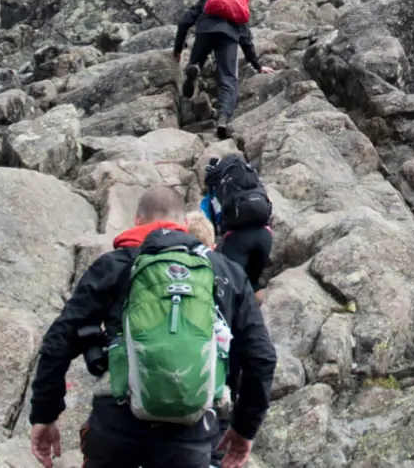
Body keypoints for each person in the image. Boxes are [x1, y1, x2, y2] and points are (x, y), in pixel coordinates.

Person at [29, 185, 277, 468]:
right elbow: (261, 356)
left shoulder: (115, 265)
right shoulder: (224, 271)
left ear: (137, 221)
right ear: (184, 224)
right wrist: (244, 429)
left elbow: (59, 340)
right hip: (192, 434)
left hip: (116, 429)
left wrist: (45, 415)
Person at [173, 0, 271, 138]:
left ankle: (194, 69)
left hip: (204, 30)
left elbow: (184, 22)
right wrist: (258, 65)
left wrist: (178, 48)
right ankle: (223, 118)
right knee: (228, 78)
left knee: (195, 62)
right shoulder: (237, 7)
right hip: (229, 36)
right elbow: (246, 41)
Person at [199, 155, 274, 299]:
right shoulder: (252, 183)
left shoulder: (213, 195)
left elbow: (206, 228)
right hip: (265, 236)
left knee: (228, 287)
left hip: (237, 240)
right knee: (252, 283)